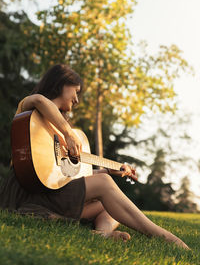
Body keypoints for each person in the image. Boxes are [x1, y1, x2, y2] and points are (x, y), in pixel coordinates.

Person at [0, 64, 189, 249]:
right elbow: (40, 100)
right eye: (76, 91)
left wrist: (109, 169)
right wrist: (68, 133)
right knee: (104, 184)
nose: (77, 99)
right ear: (61, 83)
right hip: (27, 194)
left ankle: (102, 233)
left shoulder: (63, 130)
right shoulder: (28, 110)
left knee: (110, 202)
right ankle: (163, 236)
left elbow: (68, 176)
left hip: (49, 193)